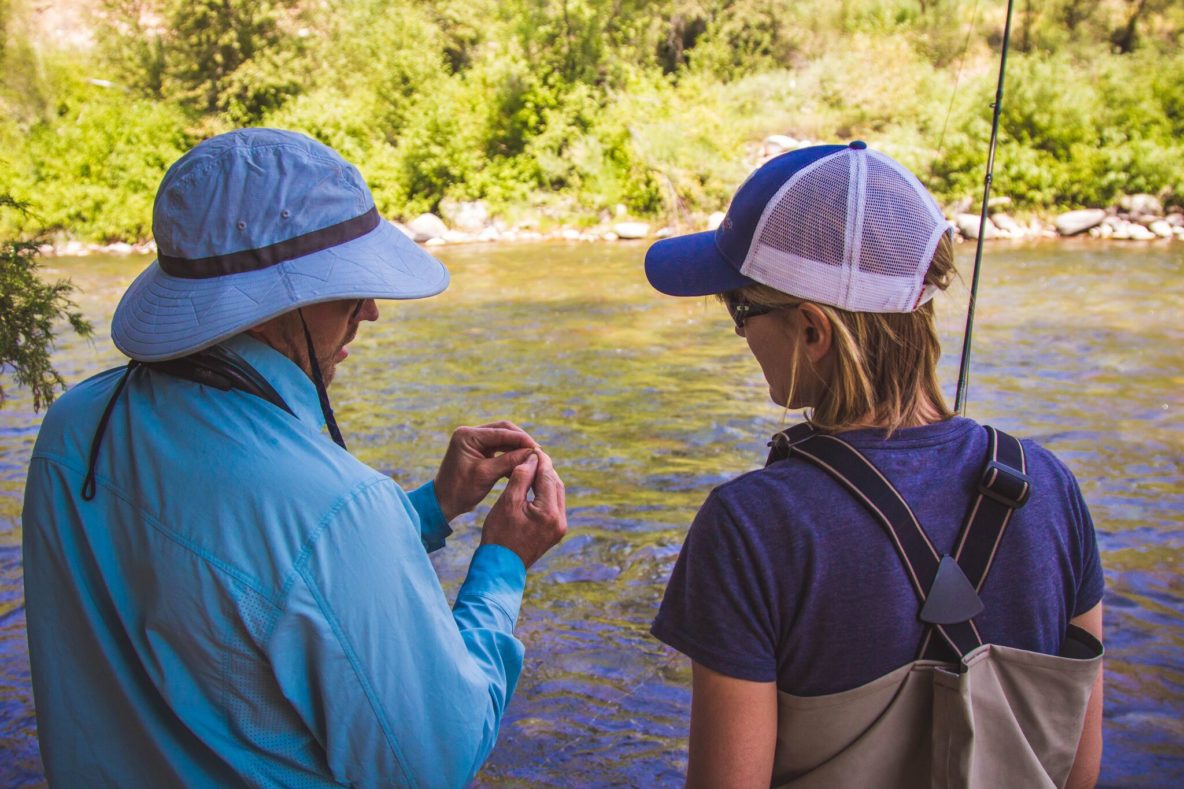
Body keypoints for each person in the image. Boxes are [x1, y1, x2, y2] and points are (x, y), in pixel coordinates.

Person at [21, 128, 567, 788]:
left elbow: (255, 576)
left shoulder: (72, 428)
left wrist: (433, 505)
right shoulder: (337, 506)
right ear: (263, 307)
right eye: (346, 288)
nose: (370, 310)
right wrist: (503, 562)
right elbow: (438, 762)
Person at [644, 142, 1104, 788]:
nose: (739, 332)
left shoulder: (748, 527)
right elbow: (1080, 772)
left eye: (739, 310)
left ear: (813, 331)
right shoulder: (1051, 489)